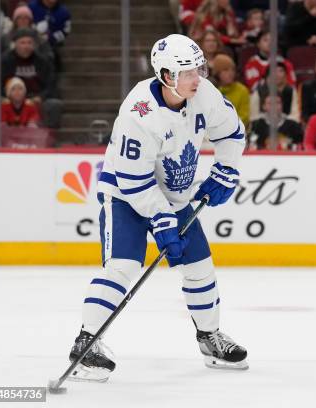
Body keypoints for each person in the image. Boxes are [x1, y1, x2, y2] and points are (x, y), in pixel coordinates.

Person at [66, 34, 248, 382]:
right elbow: (135, 182)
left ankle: (209, 337)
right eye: (188, 72)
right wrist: (161, 220)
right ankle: (86, 341)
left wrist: (226, 168)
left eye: (199, 68)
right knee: (122, 266)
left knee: (199, 265)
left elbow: (231, 131)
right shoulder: (138, 113)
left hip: (174, 194)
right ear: (166, 76)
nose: (198, 77)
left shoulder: (203, 93)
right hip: (124, 194)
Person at [212, 54, 250, 128]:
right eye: (226, 70)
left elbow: (244, 117)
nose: (230, 73)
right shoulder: (213, 90)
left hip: (237, 132)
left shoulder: (242, 90)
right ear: (217, 73)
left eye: (232, 70)